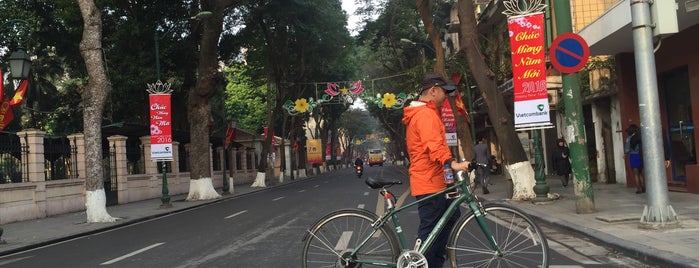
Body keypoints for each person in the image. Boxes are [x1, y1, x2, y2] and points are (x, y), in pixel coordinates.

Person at [402, 73, 471, 267]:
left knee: (449, 218)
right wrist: (452, 162)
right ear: (433, 90)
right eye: (444, 92)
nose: (446, 97)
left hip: (435, 181)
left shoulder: (426, 113)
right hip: (430, 182)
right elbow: (434, 144)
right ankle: (423, 263)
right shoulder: (425, 114)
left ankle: (433, 262)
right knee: (431, 230)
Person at [625, 124, 644, 193]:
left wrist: (625, 154)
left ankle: (638, 188)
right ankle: (643, 186)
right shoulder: (640, 137)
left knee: (636, 174)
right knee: (641, 173)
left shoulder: (629, 139)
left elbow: (627, 150)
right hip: (640, 155)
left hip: (633, 156)